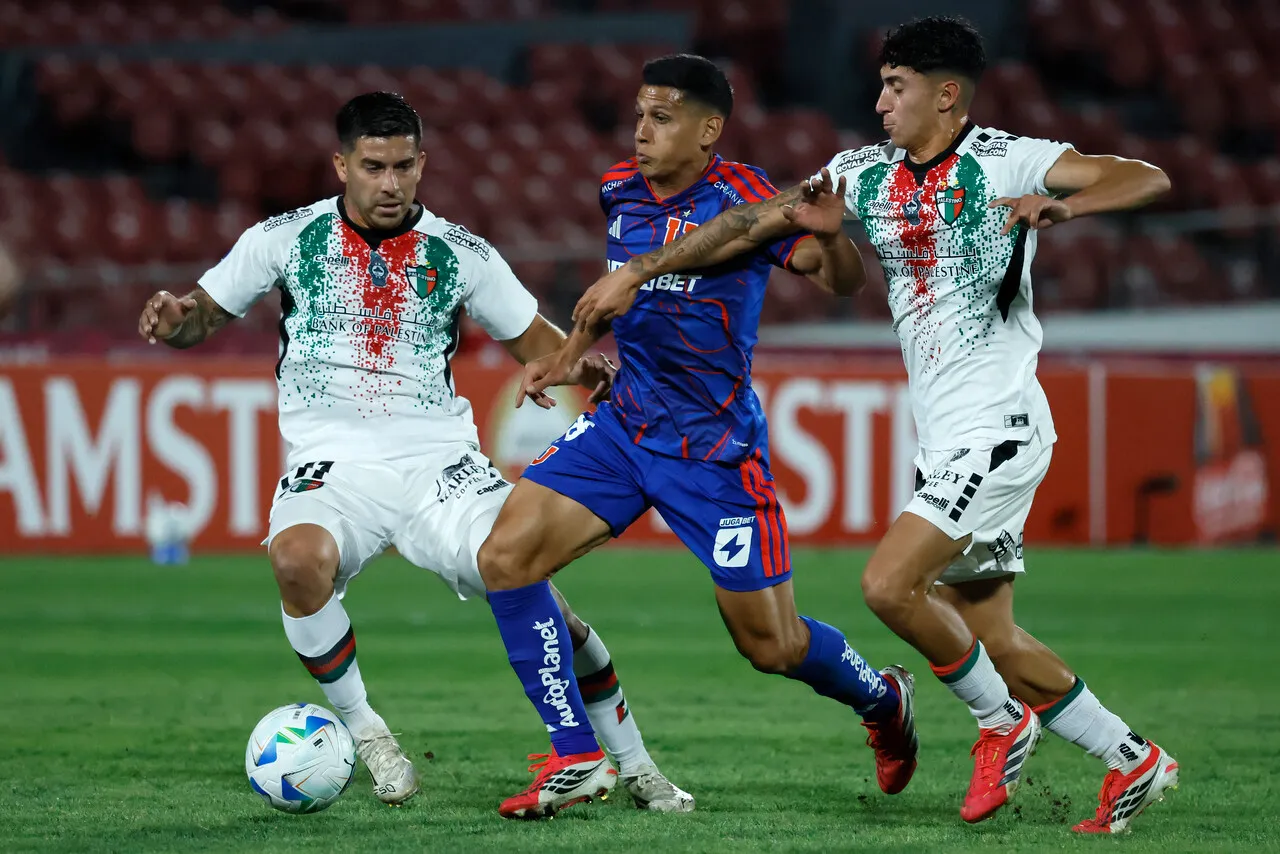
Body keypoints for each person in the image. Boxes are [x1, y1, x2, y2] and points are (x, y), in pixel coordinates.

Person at [568, 17, 1179, 836]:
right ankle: (1133, 757)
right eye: (882, 84)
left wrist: (1064, 206)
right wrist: (644, 268)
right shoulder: (862, 173)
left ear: (947, 95)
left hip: (998, 424)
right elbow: (753, 223)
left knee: (889, 586)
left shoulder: (1011, 159)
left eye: (897, 87)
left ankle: (1000, 727)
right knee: (989, 631)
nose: (880, 101)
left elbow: (1148, 177)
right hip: (946, 434)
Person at [135, 91, 692, 813]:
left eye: (404, 166)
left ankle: (636, 763)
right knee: (296, 561)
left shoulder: (460, 253)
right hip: (332, 462)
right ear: (342, 165)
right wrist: (175, 319)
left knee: (528, 581)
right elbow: (201, 314)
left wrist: (582, 362)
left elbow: (535, 339)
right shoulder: (283, 237)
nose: (390, 183)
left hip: (439, 461)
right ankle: (369, 736)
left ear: (422, 164)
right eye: (373, 167)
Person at [472, 54, 919, 820]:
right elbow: (612, 297)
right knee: (504, 559)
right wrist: (574, 356)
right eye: (640, 114)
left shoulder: (744, 194)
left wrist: (837, 240)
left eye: (663, 116)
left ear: (709, 129)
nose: (642, 131)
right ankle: (576, 753)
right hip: (624, 429)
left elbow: (835, 276)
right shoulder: (619, 189)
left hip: (714, 453)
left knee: (770, 647)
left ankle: (882, 698)